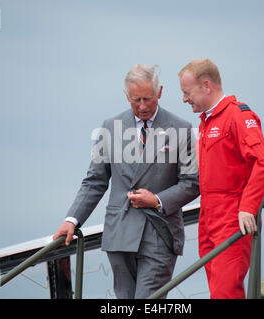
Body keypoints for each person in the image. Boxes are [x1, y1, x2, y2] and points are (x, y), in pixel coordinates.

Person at [54, 64, 199, 299]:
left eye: (148, 99)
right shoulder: (110, 127)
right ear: (126, 96)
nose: (142, 106)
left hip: (159, 234)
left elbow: (192, 182)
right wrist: (72, 219)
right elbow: (95, 181)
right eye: (136, 100)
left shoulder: (181, 129)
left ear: (160, 92)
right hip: (119, 234)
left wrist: (157, 200)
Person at [178, 58, 264, 299]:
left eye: (188, 93)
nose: (184, 99)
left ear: (206, 86)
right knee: (216, 289)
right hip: (208, 216)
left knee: (225, 292)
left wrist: (248, 208)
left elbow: (262, 162)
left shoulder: (238, 116)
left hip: (232, 216)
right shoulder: (207, 122)